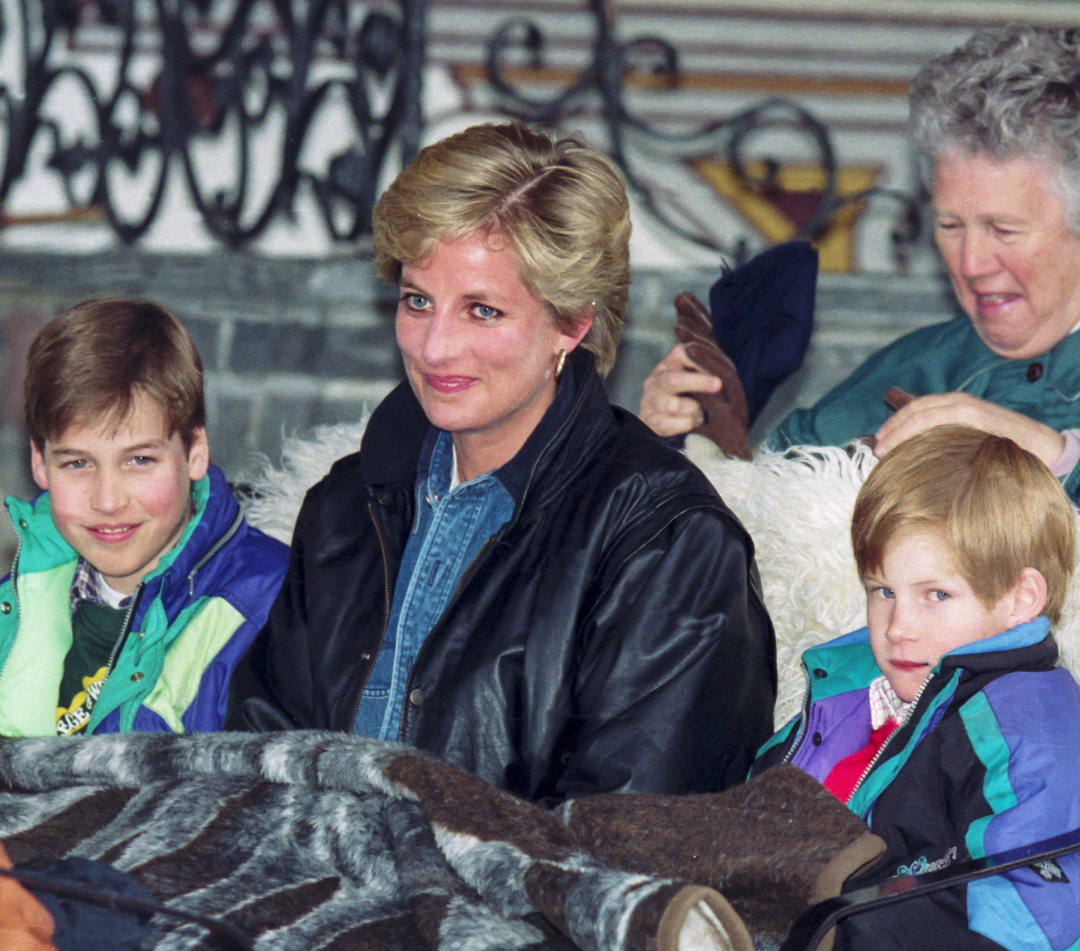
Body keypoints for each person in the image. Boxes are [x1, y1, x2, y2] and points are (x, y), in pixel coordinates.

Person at [225, 122, 776, 803]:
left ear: (572, 323)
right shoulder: (344, 506)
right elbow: (255, 759)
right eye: (417, 301)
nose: (435, 348)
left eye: (482, 311)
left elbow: (637, 839)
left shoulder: (670, 543)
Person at [640, 25, 1080, 499]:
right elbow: (752, 527)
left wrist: (1052, 454)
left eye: (1003, 230)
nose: (970, 264)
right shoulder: (915, 366)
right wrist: (666, 445)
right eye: (950, 226)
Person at [754, 426, 1080, 951]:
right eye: (882, 590)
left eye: (936, 595)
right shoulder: (848, 689)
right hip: (768, 949)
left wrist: (823, 950)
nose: (898, 627)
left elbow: (1040, 916)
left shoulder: (1030, 722)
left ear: (1020, 599)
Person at [0, 299, 289, 736]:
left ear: (195, 451)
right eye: (77, 463)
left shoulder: (278, 605)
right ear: (39, 463)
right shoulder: (13, 604)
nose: (109, 500)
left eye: (138, 460)